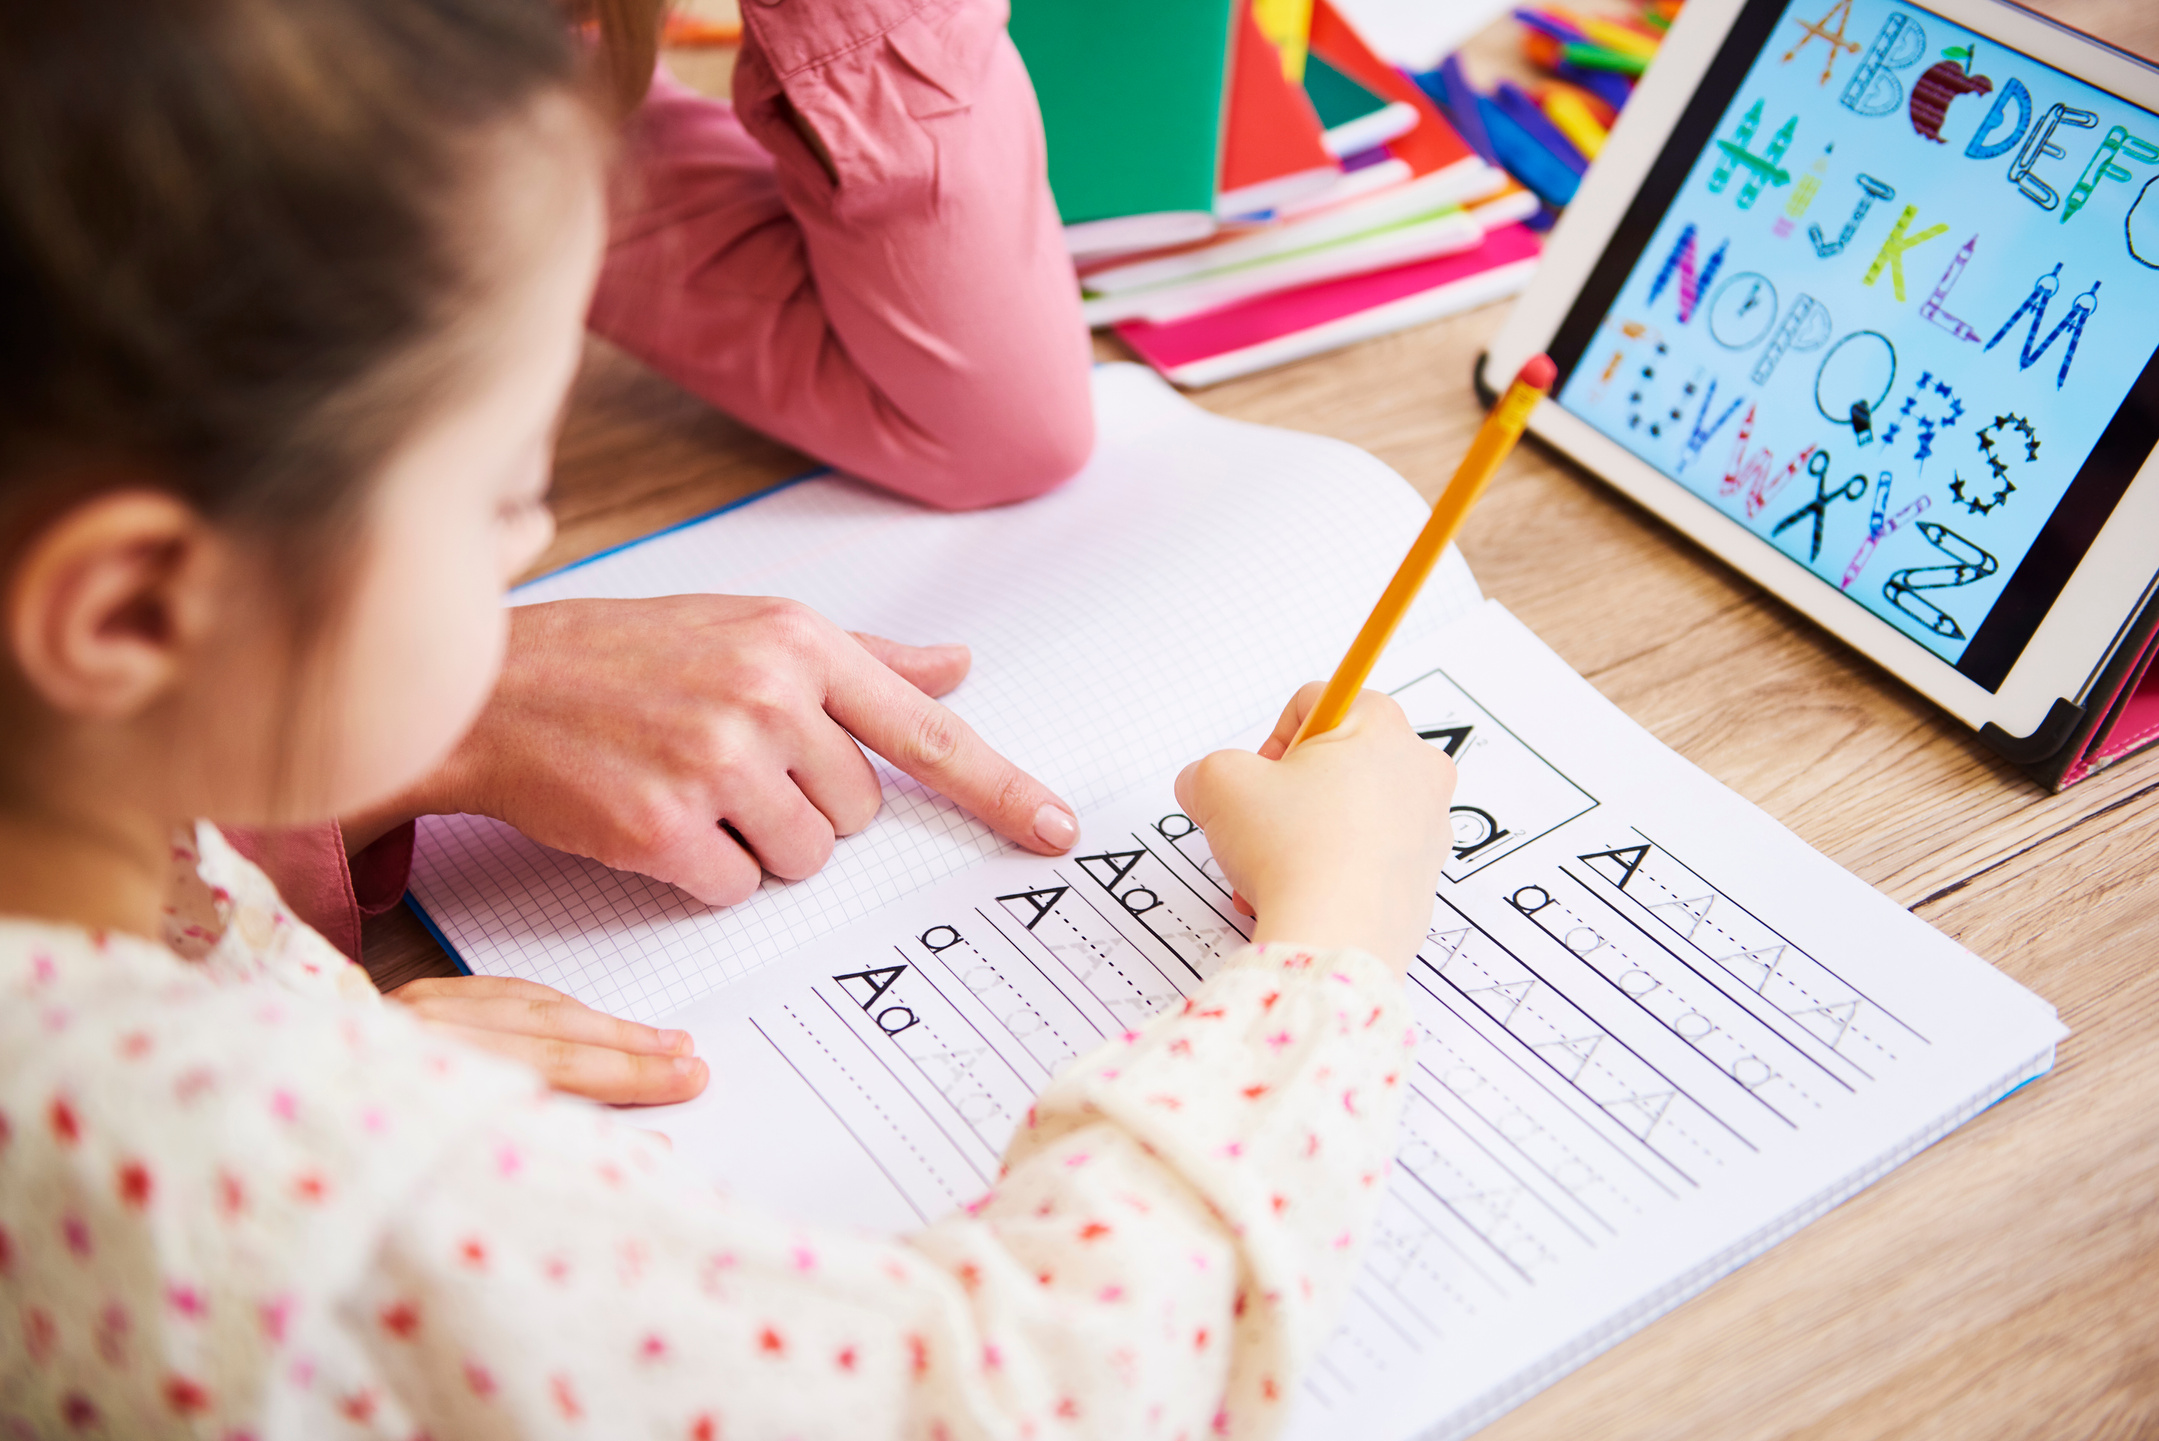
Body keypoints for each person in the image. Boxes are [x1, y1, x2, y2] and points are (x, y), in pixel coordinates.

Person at [0, 0, 1458, 1434]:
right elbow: (1012, 1389)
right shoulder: (298, 1184)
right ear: (129, 612)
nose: (537, 538)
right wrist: (1334, 938)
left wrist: (303, 1023)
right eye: (501, 489)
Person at [237, 0, 1104, 1105]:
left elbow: (996, 419)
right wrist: (415, 711)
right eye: (508, 498)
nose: (532, 538)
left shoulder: (503, 80)